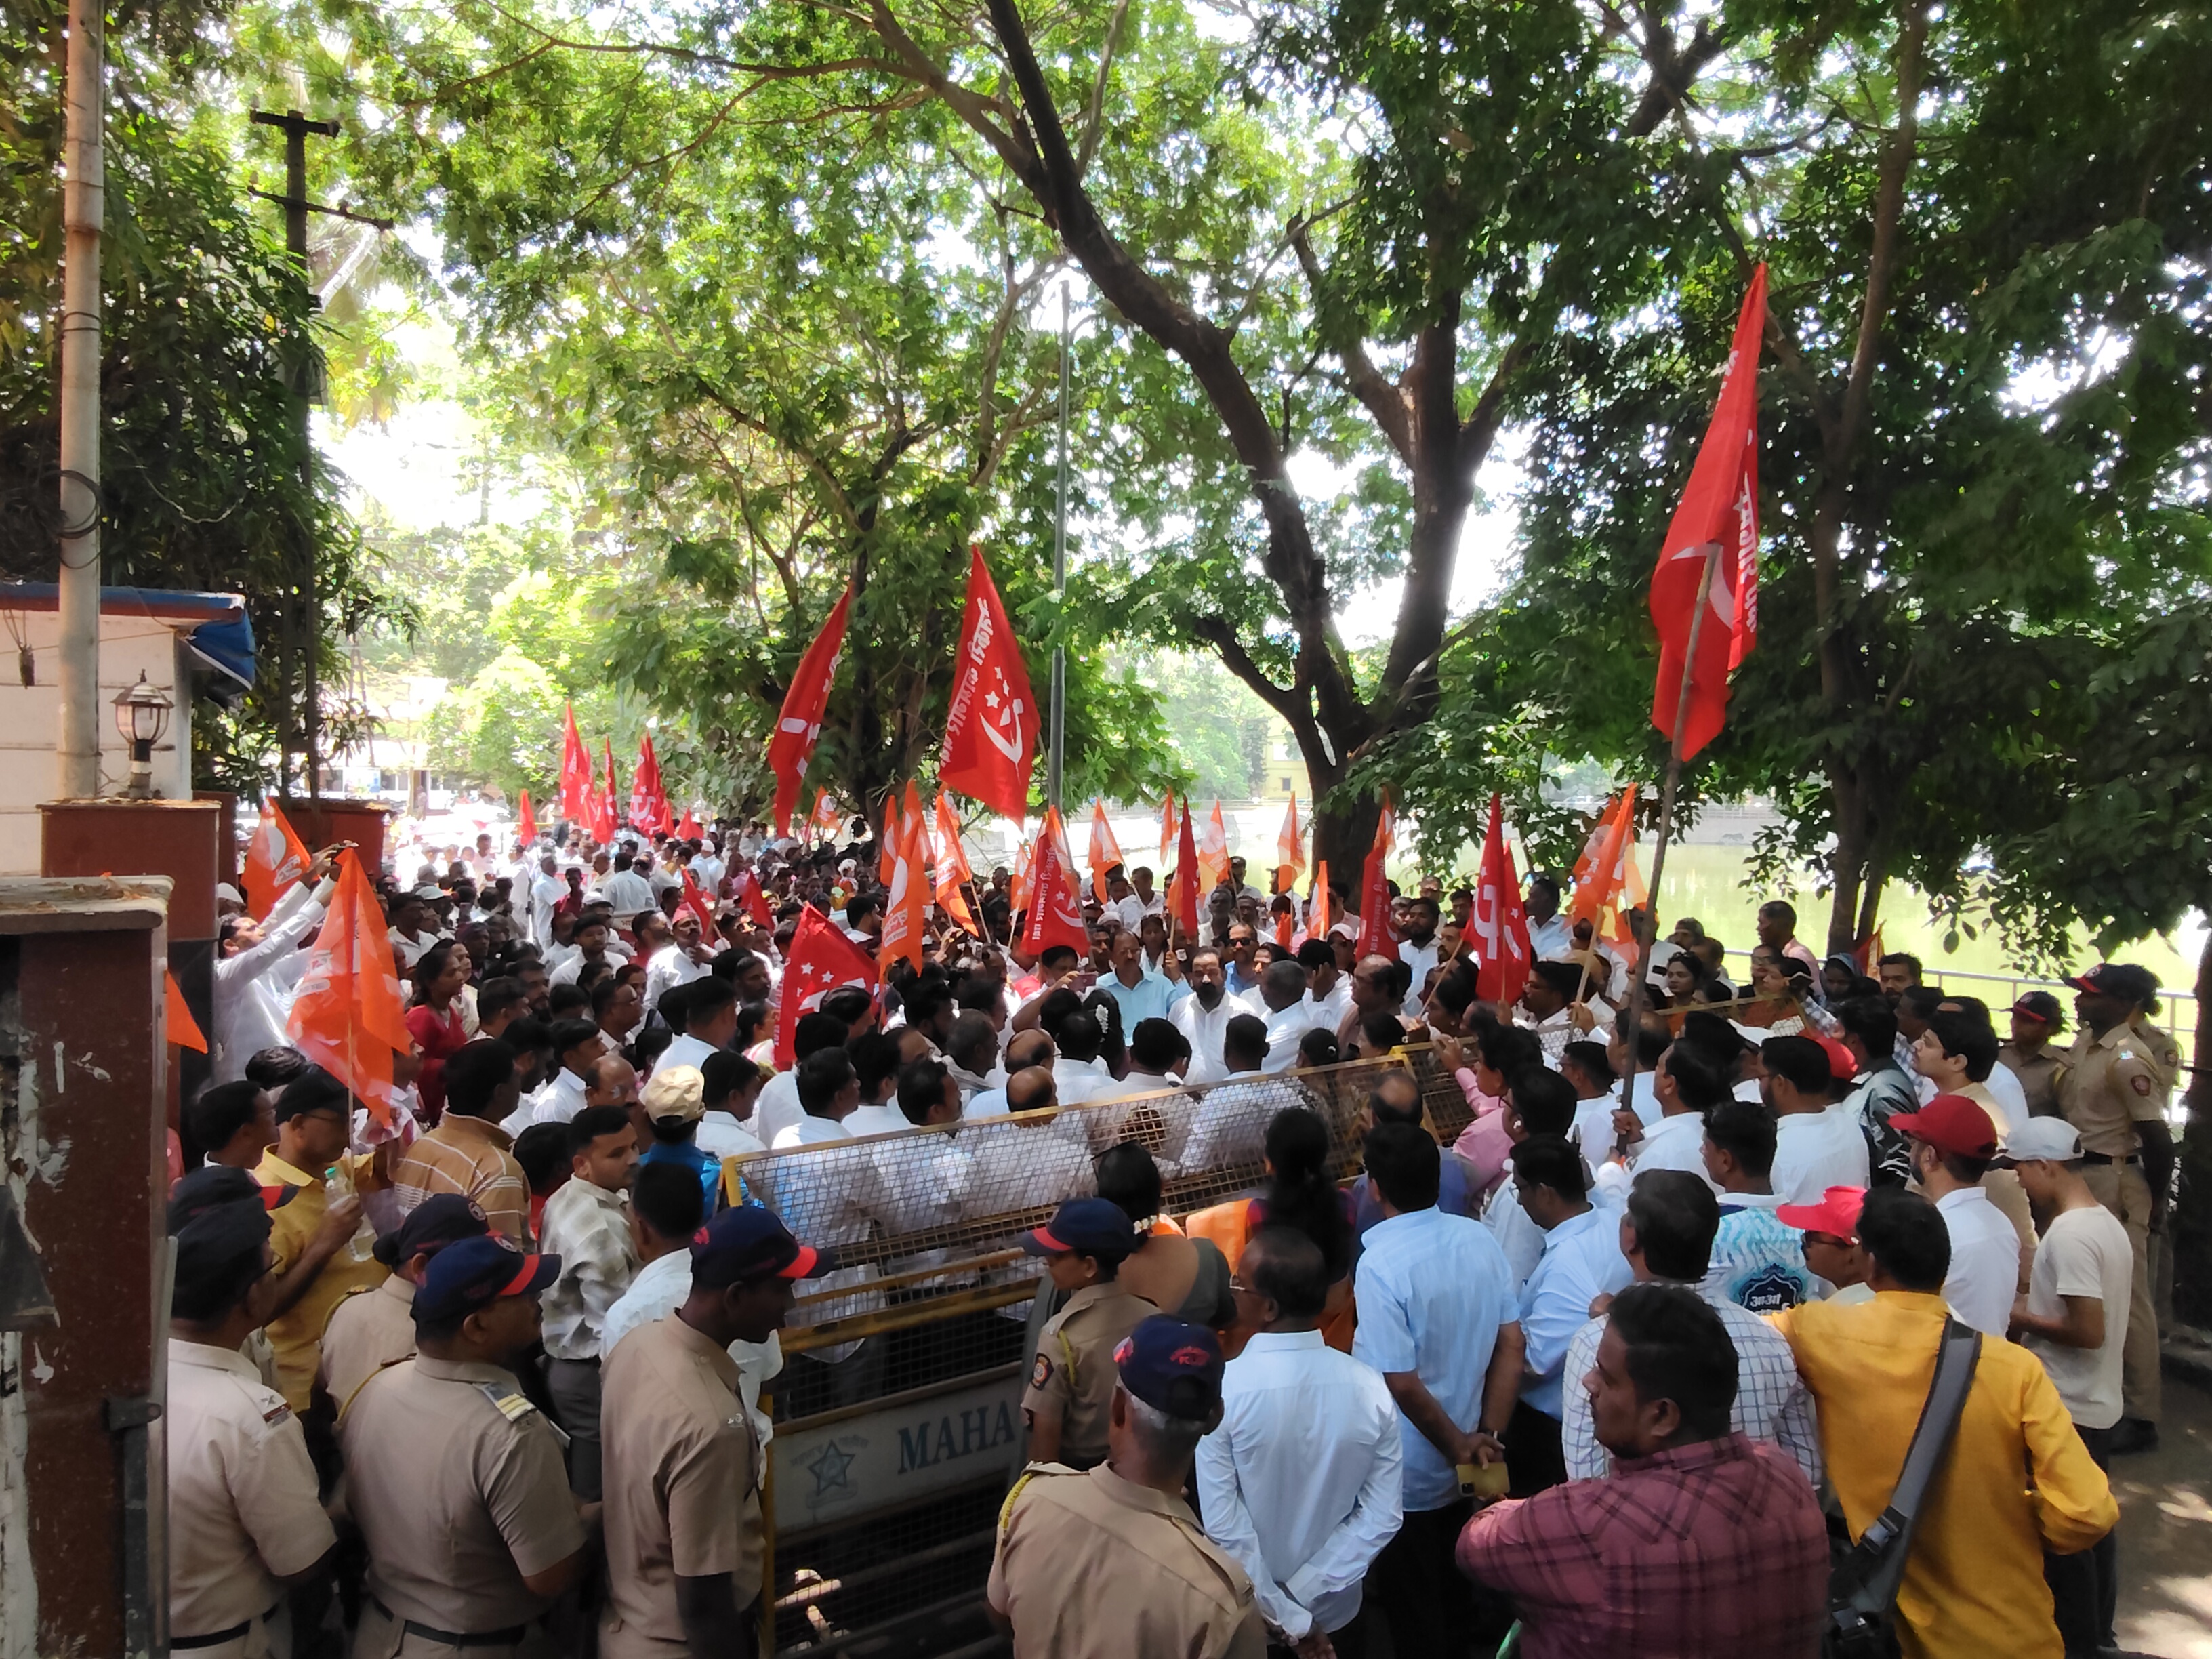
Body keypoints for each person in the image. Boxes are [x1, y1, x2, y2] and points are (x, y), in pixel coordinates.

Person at [1769, 1187, 2116, 1659]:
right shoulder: (2014, 1369)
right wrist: (2018, 1513)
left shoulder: (1818, 1332)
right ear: (1943, 1267)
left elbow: (1750, 1337)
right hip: (2007, 1634)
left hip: (1884, 1628)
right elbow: (2087, 1513)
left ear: (1868, 1264)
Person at [1458, 1282, 1828, 1658]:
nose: (1589, 1383)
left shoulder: (1587, 1522)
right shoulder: (1786, 1477)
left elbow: (1475, 1547)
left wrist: (1494, 1498)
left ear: (1662, 1415)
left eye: (1605, 1374)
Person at [342, 1236, 590, 1659]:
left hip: (381, 1634)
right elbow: (550, 1576)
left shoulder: (376, 1389)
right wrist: (603, 1519)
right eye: (521, 1294)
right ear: (475, 1326)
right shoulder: (510, 1434)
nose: (538, 1299)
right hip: (475, 1644)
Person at [598, 1206, 816, 1659]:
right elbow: (704, 1603)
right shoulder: (712, 1427)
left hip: (628, 1619)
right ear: (735, 1296)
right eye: (782, 1291)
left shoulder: (637, 1346)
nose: (788, 1311)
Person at [989, 1317, 1264, 1658]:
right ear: (1215, 1418)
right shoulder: (1223, 1605)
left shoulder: (1031, 1501)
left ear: (1118, 1407)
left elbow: (1002, 1617)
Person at [1351, 1122, 1523, 1658]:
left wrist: (1458, 1447)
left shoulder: (1379, 1263)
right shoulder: (1478, 1237)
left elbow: (1401, 1381)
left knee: (1416, 1606)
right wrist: (1485, 1445)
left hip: (1413, 1473)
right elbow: (1511, 1345)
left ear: (1375, 1187)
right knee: (1465, 1587)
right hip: (1474, 1454)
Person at [1198, 1228, 1400, 1657]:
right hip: (1338, 1613)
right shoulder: (1369, 1387)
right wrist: (1305, 1592)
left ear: (1268, 1307)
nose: (1232, 1292)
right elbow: (1381, 1515)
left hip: (1253, 1619)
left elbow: (1223, 1526)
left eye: (1239, 1283)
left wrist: (1285, 1609)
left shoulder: (1224, 1391)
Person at [1559, 1171, 1820, 1486]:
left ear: (1630, 1238)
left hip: (1639, 1529)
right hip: (1751, 1525)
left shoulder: (1596, 1345)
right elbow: (1806, 1470)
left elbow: (1584, 1477)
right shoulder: (1768, 1338)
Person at [165, 1189, 338, 1659]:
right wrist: (344, 1504)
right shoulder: (253, 1418)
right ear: (250, 1296)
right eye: (271, 1267)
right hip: (232, 1641)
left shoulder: (137, 1380)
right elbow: (301, 1563)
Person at [2004, 1117, 2133, 1657]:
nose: (2019, 1184)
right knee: (2093, 1528)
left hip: (2070, 1405)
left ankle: (2080, 1642)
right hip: (2095, 1401)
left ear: (2046, 1166)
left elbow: (2088, 1329)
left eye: (2021, 1172)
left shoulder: (2072, 1235)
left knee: (2065, 1542)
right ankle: (2099, 1635)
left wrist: (2023, 1316)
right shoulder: (2103, 1223)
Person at [2055, 961, 2177, 1454]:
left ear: (2124, 1002)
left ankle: (2142, 1413)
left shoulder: (2128, 1055)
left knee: (2130, 1297)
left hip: (2117, 1177)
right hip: (2082, 1174)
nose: (2079, 1002)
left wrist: (2154, 1197)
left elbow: (2157, 1136)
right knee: (2089, 1287)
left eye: (2090, 995)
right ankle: (2095, 1396)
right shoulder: (2087, 1043)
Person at [253, 1068, 388, 1410]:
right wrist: (324, 1244)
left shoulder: (333, 1167)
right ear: (298, 1124)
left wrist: (390, 1123)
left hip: (366, 1362)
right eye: (341, 1122)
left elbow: (386, 1170)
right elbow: (262, 1309)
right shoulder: (266, 1199)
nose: (349, 1134)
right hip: (313, 1388)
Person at [1510, 1134, 1632, 1493]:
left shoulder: (1566, 1264)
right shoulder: (1613, 1219)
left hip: (1555, 1426)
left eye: (1521, 1189)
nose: (1519, 1200)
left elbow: (1534, 1362)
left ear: (1545, 1192)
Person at [538, 1103, 641, 1500]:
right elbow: (615, 1329)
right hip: (590, 1370)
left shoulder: (566, 1197)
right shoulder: (600, 1232)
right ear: (581, 1164)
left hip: (570, 1361)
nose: (632, 1159)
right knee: (601, 1490)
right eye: (617, 1154)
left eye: (633, 1146)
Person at [319, 1194, 491, 1422]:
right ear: (421, 1266)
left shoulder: (347, 1309)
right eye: (473, 1260)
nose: (486, 1268)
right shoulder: (438, 1344)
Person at [1021, 1197, 1161, 1469]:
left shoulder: (1060, 1338)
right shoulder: (1152, 1319)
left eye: (1058, 1255)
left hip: (1080, 1474)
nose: (1047, 1261)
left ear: (1089, 1266)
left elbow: (1044, 1453)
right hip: (1140, 1469)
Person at [1891, 1094, 2020, 1338]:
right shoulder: (2002, 1224)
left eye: (1914, 1143)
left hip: (1944, 1370)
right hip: (1992, 1366)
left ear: (1929, 1157)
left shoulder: (1932, 1234)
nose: (1911, 1152)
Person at [392, 1038, 533, 1242]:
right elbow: (499, 1260)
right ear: (500, 1092)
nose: (521, 1084)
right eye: (517, 1076)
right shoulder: (498, 1171)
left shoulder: (422, 1145)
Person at [212, 853, 335, 1083]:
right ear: (230, 945)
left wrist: (321, 884)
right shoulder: (226, 975)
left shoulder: (267, 972)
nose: (262, 930)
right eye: (251, 930)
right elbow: (279, 940)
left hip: (290, 1070)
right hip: (249, 1082)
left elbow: (313, 952)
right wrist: (326, 898)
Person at [1096, 1143, 1236, 1328]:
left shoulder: (1087, 1273)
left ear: (1101, 1202)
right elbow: (1228, 1321)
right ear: (1162, 1187)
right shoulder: (1206, 1255)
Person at [1698, 1101, 1816, 1312]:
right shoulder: (1810, 1232)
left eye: (1706, 1146)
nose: (1703, 1152)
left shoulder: (1708, 1230)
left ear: (1726, 1160)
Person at [1762, 1033, 1870, 1202]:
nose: (1758, 1086)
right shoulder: (1849, 1125)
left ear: (1780, 1083)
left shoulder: (1777, 1148)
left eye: (1760, 1077)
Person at [405, 940, 474, 1120]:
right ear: (431, 983)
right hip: (428, 1100)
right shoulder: (420, 1016)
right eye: (451, 974)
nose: (460, 977)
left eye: (459, 970)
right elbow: (412, 1065)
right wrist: (449, 1067)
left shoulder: (450, 1011)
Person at [2001, 991, 2069, 1120]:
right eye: (2016, 1017)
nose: (2017, 1025)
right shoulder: (1999, 1055)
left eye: (2027, 1021)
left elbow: (2068, 1115)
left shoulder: (2060, 1068)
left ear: (2050, 1027)